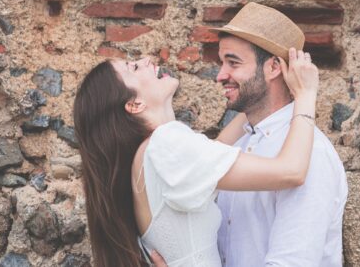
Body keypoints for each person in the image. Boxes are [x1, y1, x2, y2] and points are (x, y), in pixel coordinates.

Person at [73, 13, 319, 266]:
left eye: (233, 63)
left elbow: (217, 150)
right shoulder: (166, 144)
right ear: (135, 104)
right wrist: (306, 93)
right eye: (133, 68)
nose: (146, 60)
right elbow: (292, 171)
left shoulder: (148, 154)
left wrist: (263, 91)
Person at [152, 2, 348, 267]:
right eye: (222, 63)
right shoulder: (241, 143)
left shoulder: (311, 153)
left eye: (233, 62)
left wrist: (304, 93)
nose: (220, 75)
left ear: (273, 68)